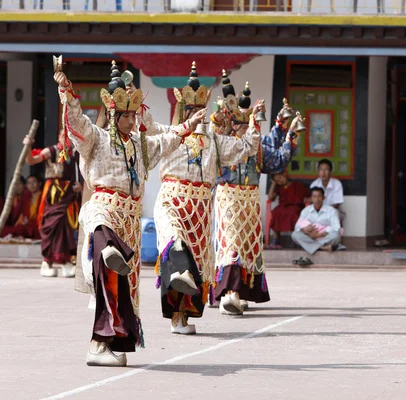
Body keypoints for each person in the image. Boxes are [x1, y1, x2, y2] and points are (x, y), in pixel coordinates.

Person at [55, 61, 201, 367]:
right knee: (104, 246)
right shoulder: (96, 138)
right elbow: (77, 125)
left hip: (130, 220)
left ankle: (107, 343)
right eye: (127, 115)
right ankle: (97, 341)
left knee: (120, 287)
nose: (133, 119)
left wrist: (188, 126)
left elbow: (167, 140)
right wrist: (67, 94)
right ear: (113, 115)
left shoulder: (139, 145)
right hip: (105, 208)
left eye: (134, 114)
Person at [152, 62, 260, 333]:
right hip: (173, 201)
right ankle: (178, 286)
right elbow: (144, 129)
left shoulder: (213, 139)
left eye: (200, 110)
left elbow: (245, 147)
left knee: (197, 264)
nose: (197, 115)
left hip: (200, 209)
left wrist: (253, 123)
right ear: (182, 111)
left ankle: (182, 317)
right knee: (176, 247)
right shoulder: (169, 134)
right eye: (190, 110)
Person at [211, 72, 298, 315]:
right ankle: (230, 293)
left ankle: (242, 291)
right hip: (227, 199)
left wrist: (290, 134)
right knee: (231, 243)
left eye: (245, 123)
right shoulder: (221, 143)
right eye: (237, 123)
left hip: (249, 203)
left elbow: (277, 160)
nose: (241, 128)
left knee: (248, 247)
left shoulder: (256, 147)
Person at [25, 130, 81, 278]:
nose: (67, 138)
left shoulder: (76, 153)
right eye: (65, 135)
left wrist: (80, 185)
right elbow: (31, 160)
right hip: (53, 194)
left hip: (68, 194)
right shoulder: (51, 151)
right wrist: (28, 147)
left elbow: (84, 172)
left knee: (66, 226)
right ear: (59, 136)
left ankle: (66, 261)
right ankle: (47, 261)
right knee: (51, 224)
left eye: (70, 136)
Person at [291, 187, 343, 257]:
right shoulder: (306, 211)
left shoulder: (332, 211)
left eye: (319, 196)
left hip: (325, 238)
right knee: (295, 234)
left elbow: (336, 227)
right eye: (314, 197)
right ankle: (322, 247)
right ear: (311, 198)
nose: (317, 199)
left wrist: (319, 235)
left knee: (336, 235)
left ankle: (311, 246)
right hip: (309, 237)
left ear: (323, 198)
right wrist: (304, 230)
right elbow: (297, 227)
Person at [268, 170, 310, 249]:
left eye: (280, 178)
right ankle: (277, 238)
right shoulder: (279, 188)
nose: (279, 181)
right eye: (277, 181)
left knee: (293, 213)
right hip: (283, 206)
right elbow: (270, 197)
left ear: (285, 174)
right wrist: (273, 184)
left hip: (295, 206)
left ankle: (295, 239)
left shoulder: (296, 185)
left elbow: (305, 196)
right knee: (275, 212)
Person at [2, 175, 42, 240]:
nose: (31, 185)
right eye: (29, 183)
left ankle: (14, 235)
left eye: (34, 182)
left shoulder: (43, 196)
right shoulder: (26, 197)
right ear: (26, 185)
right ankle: (15, 235)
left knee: (22, 228)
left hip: (38, 225)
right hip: (27, 224)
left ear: (39, 183)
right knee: (4, 229)